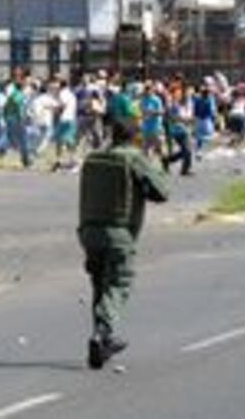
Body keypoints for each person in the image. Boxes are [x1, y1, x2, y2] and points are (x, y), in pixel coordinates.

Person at [78, 119, 169, 370]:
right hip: (119, 233)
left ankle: (102, 338)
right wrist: (160, 166)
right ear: (135, 137)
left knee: (100, 284)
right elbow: (162, 192)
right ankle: (103, 333)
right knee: (117, 284)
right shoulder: (132, 158)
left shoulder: (93, 158)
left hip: (89, 231)